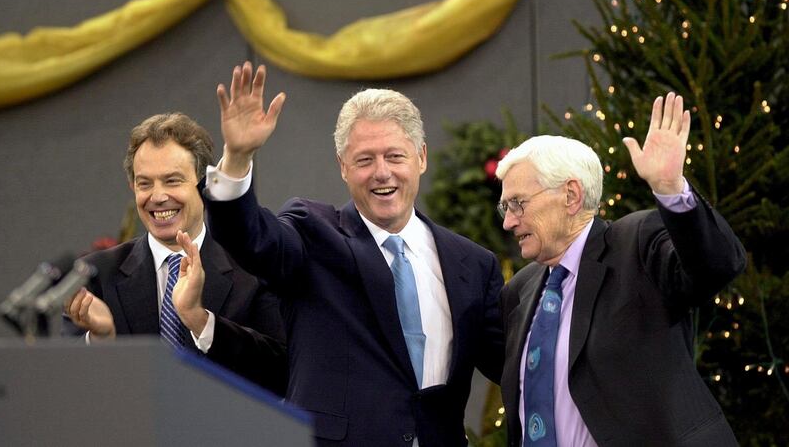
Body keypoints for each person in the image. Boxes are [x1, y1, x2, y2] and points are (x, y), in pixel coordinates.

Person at [202, 62, 505, 446]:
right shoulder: (313, 234)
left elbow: (515, 366)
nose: (382, 173)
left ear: (421, 158)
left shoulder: (473, 264)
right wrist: (237, 158)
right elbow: (251, 238)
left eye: (395, 156)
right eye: (365, 160)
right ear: (343, 167)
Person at [496, 93, 745, 446]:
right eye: (505, 207)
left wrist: (671, 189)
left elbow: (715, 267)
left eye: (518, 204)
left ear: (571, 196)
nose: (508, 222)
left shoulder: (636, 245)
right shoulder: (518, 291)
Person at [64, 112, 288, 396]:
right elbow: (63, 385)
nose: (157, 197)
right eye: (145, 183)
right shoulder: (96, 274)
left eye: (172, 181)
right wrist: (100, 340)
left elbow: (281, 373)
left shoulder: (252, 269)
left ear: (204, 185)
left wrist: (199, 321)